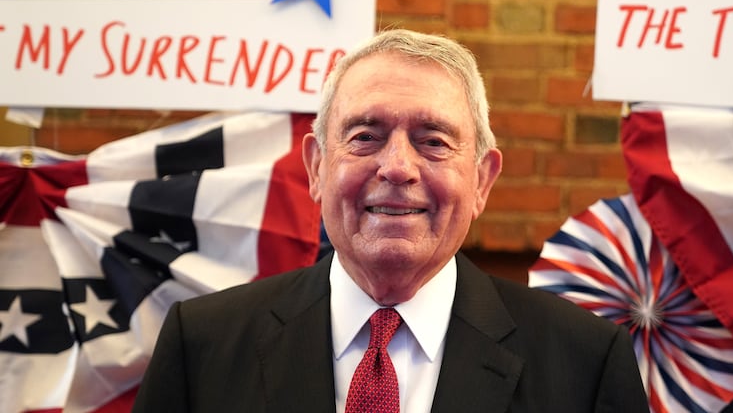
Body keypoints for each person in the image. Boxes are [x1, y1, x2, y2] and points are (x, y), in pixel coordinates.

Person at [132, 29, 649, 412]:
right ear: (316, 167)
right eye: (364, 136)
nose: (398, 167)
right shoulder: (201, 345)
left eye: (433, 141)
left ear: (482, 182)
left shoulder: (585, 363)